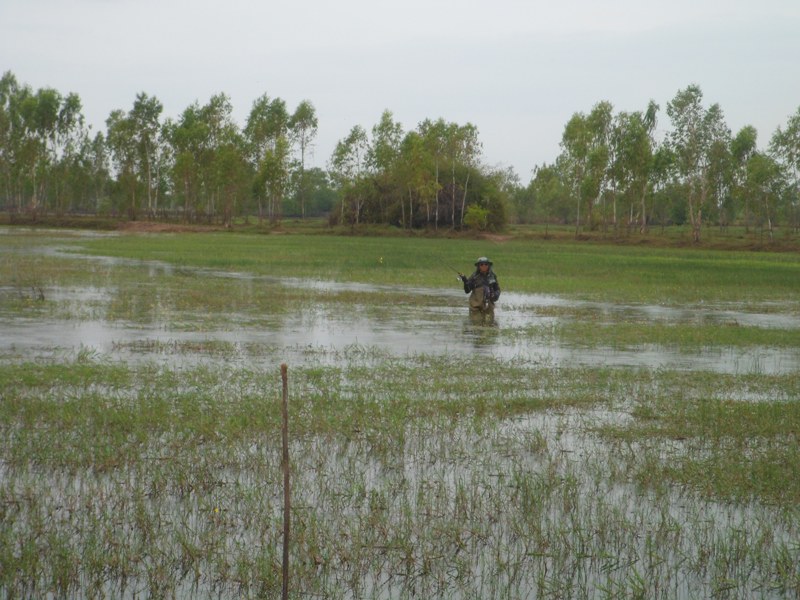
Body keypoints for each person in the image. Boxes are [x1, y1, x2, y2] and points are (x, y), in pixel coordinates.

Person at [460, 256, 500, 321]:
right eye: (481, 264)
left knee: (490, 325)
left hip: (489, 306)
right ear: (478, 266)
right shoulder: (474, 277)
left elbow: (497, 289)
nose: (484, 266)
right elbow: (467, 290)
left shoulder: (492, 276)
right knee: (476, 324)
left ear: (489, 266)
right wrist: (465, 281)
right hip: (475, 307)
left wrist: (495, 295)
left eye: (486, 264)